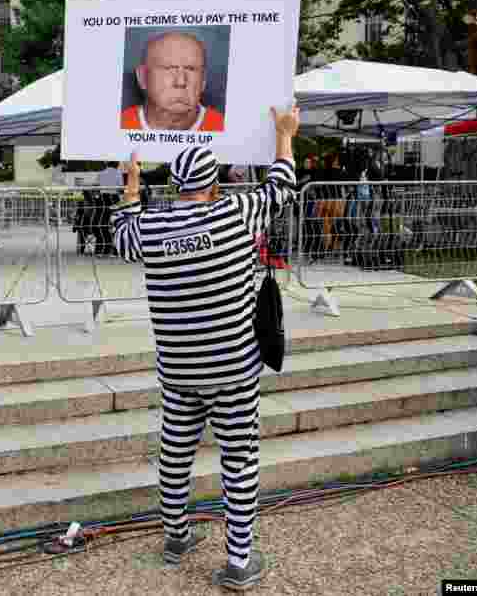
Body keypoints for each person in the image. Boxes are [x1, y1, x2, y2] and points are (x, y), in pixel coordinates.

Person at [110, 106, 300, 592]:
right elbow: (281, 186)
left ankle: (176, 538)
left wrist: (131, 185)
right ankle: (239, 561)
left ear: (175, 186)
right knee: (239, 461)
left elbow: (121, 235)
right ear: (214, 185)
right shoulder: (237, 214)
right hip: (233, 369)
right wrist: (284, 136)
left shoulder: (151, 230)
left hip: (178, 371)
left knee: (175, 456)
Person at [121, 32, 226, 132]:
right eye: (168, 68)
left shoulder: (224, 127)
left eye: (191, 69)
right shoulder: (120, 124)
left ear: (203, 79)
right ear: (142, 77)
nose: (180, 82)